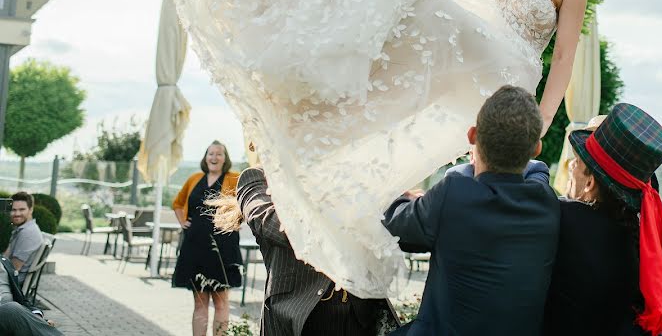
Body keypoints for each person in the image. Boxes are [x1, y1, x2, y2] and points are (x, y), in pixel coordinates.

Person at [166, 0, 600, 296]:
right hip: (460, 57)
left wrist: (541, 121)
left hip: (503, 82)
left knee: (435, 9)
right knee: (404, 35)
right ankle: (313, 118)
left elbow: (564, 56)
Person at [382, 85, 560, 335]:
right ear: (536, 149)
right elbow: (538, 170)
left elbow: (392, 223)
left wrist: (406, 199)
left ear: (472, 135)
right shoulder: (547, 203)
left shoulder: (454, 193)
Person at [543, 103, 662, 336]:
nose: (571, 166)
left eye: (576, 162)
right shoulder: (638, 240)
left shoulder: (564, 218)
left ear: (590, 182)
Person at [210, 160, 399, 336]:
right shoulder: (257, 177)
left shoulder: (342, 174)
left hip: (359, 312)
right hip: (300, 313)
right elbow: (272, 225)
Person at [171, 141, 242, 336]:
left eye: (219, 154)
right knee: (200, 302)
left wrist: (237, 220)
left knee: (221, 302)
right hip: (195, 248)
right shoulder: (194, 178)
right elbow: (177, 203)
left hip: (223, 248)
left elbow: (246, 203)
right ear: (205, 157)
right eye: (211, 153)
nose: (214, 157)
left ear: (225, 158)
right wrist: (182, 221)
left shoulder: (234, 179)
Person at [0, 254, 62, 335]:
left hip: (12, 316)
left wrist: (35, 315)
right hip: (9, 311)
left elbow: (21, 298)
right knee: (11, 308)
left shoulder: (4, 261)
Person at [3, 192, 44, 284]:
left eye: (22, 209)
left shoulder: (27, 233)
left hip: (11, 285)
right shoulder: (22, 229)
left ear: (31, 210)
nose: (17, 213)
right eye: (13, 210)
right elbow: (6, 256)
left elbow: (14, 267)